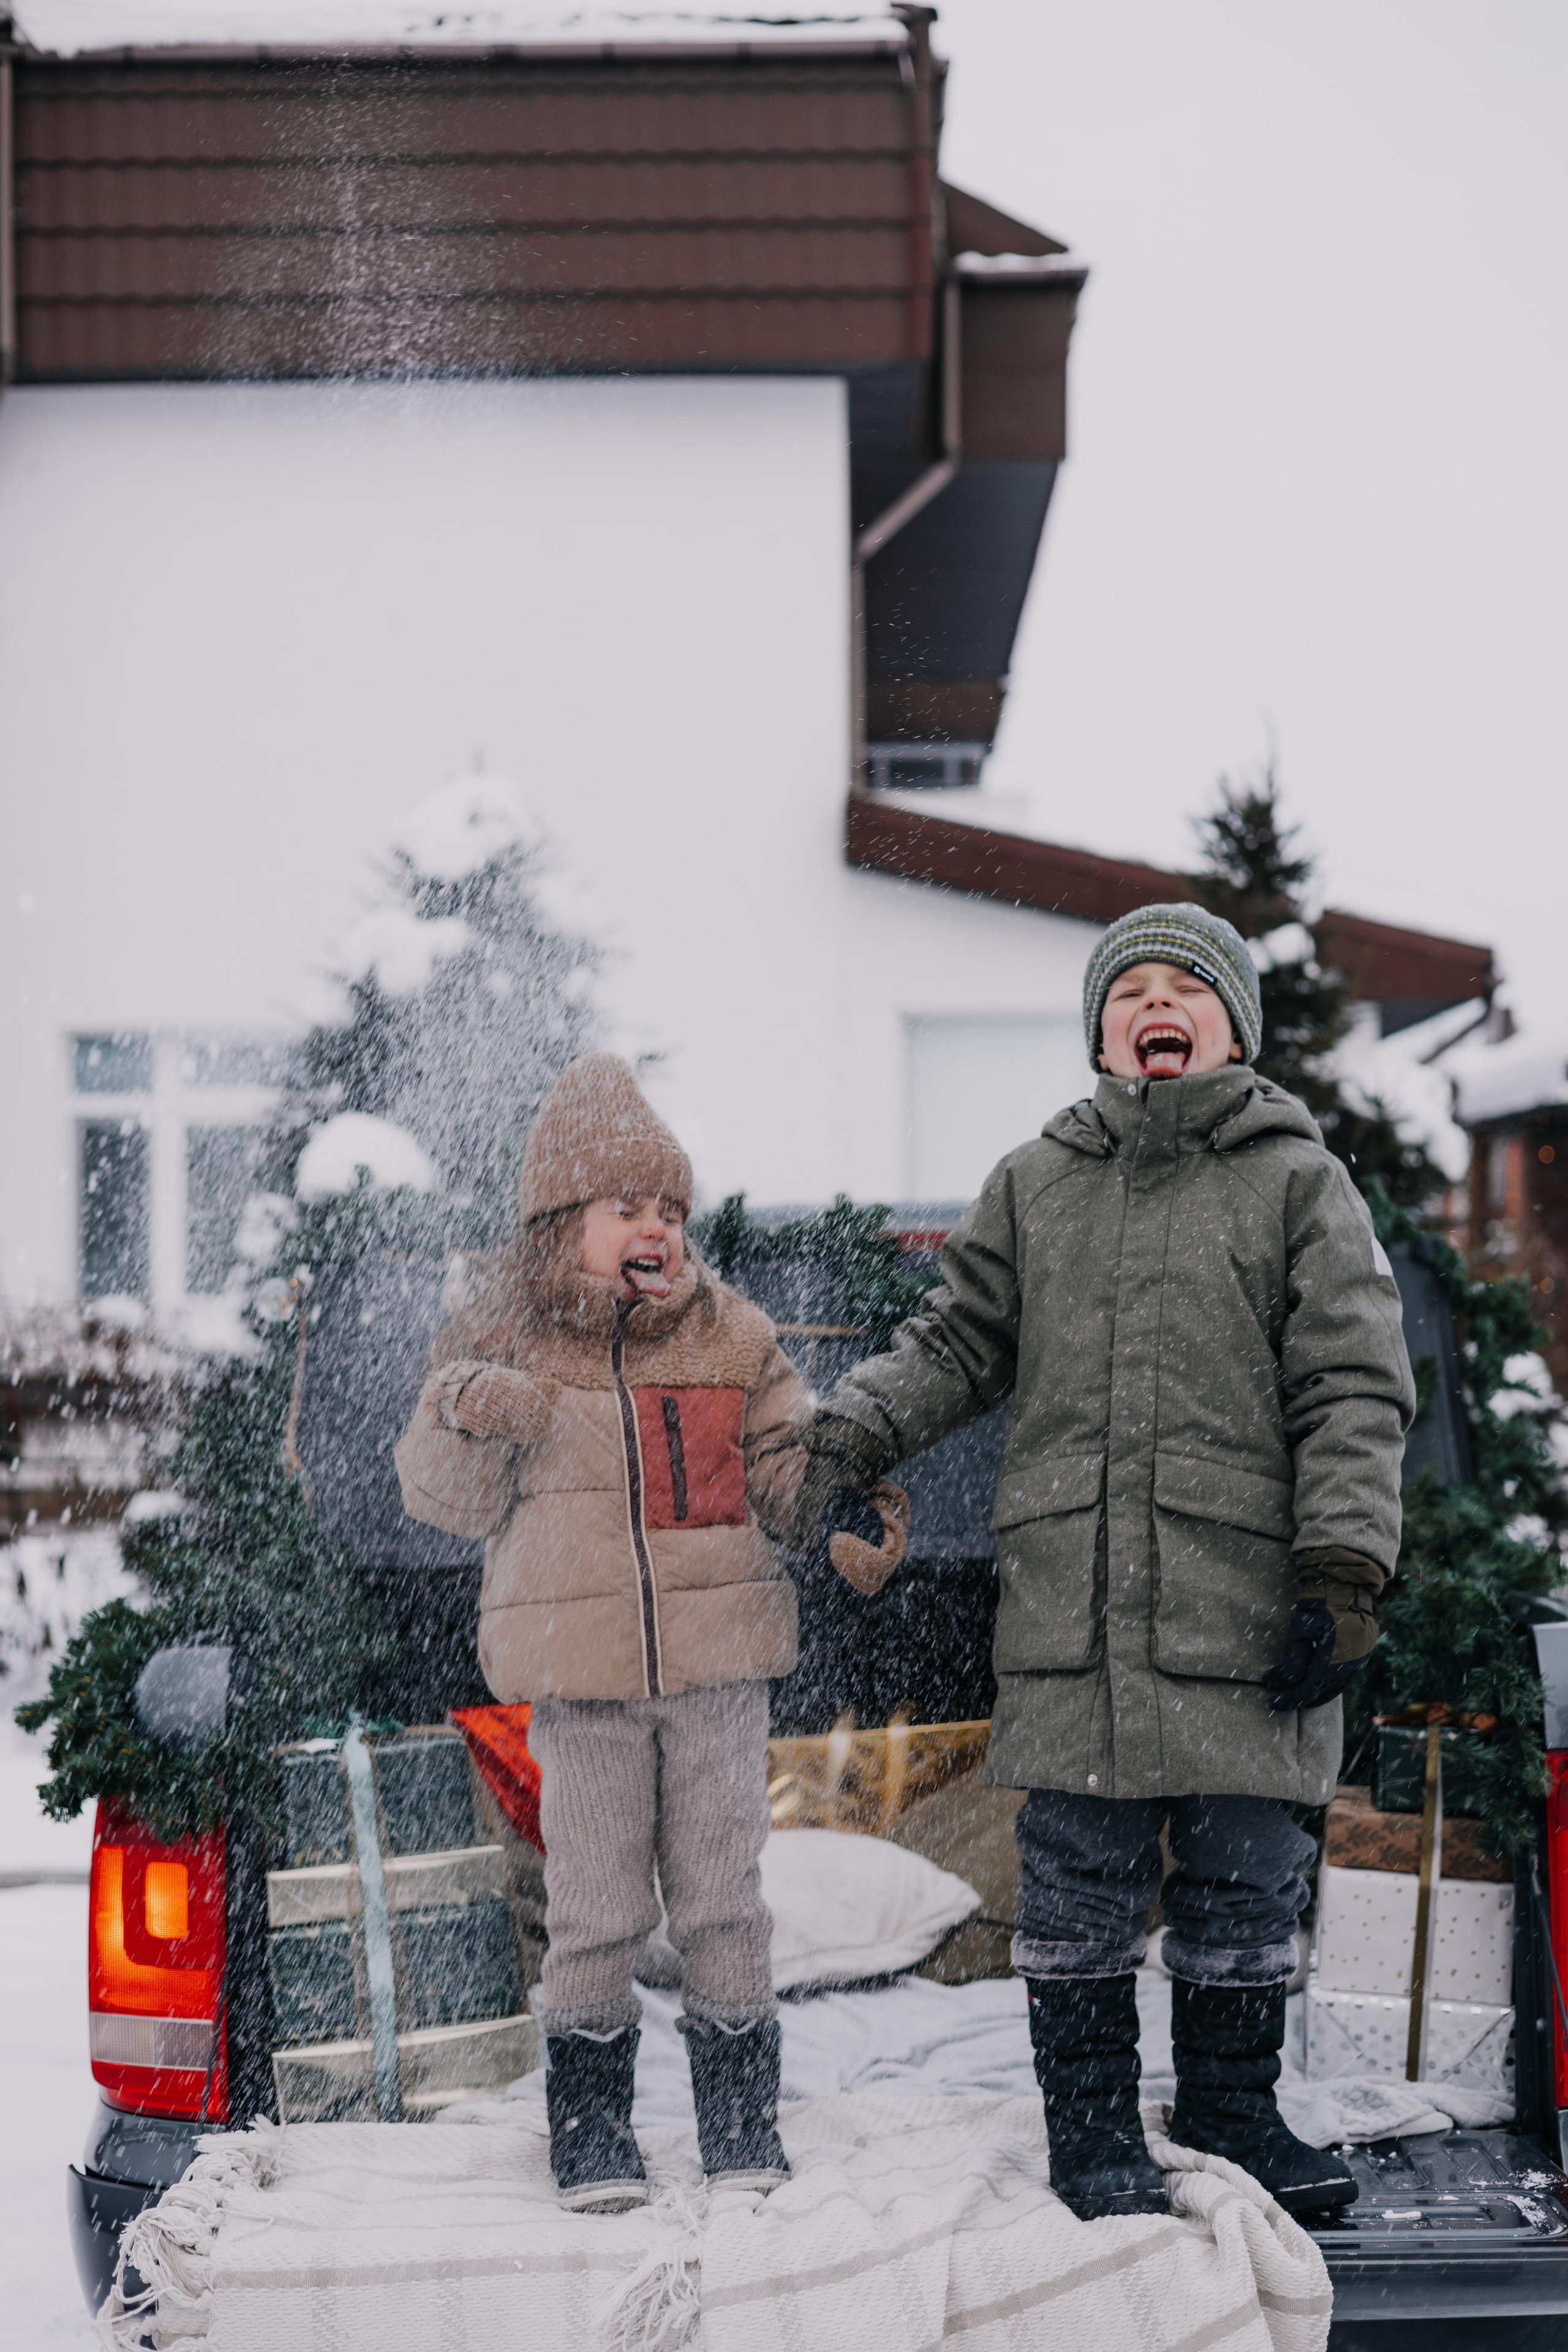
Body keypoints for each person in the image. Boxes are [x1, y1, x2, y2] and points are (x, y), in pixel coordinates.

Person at [791, 903, 1414, 2220]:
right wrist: (849, 1432)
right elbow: (956, 1343)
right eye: (1125, 988)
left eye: (1183, 984)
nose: (1153, 1001)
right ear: (1098, 1035)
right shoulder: (1037, 1182)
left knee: (1245, 1875)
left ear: (1232, 1028)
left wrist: (1343, 1567)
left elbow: (1353, 1386)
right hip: (1071, 1608)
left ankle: (1232, 2112)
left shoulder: (1296, 1180)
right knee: (1074, 1882)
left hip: (1243, 1605)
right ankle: (1088, 2130)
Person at [395, 1053, 907, 2211]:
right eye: (629, 1207)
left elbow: (783, 1463)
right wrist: (471, 1415)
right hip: (582, 1686)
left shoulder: (730, 1337)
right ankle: (590, 2133)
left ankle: (739, 2127)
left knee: (724, 1897)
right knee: (596, 1907)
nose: (658, 1230)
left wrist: (834, 1505)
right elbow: (442, 1498)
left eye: (670, 1210)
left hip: (720, 1670)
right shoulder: (504, 1340)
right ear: (558, 1223)